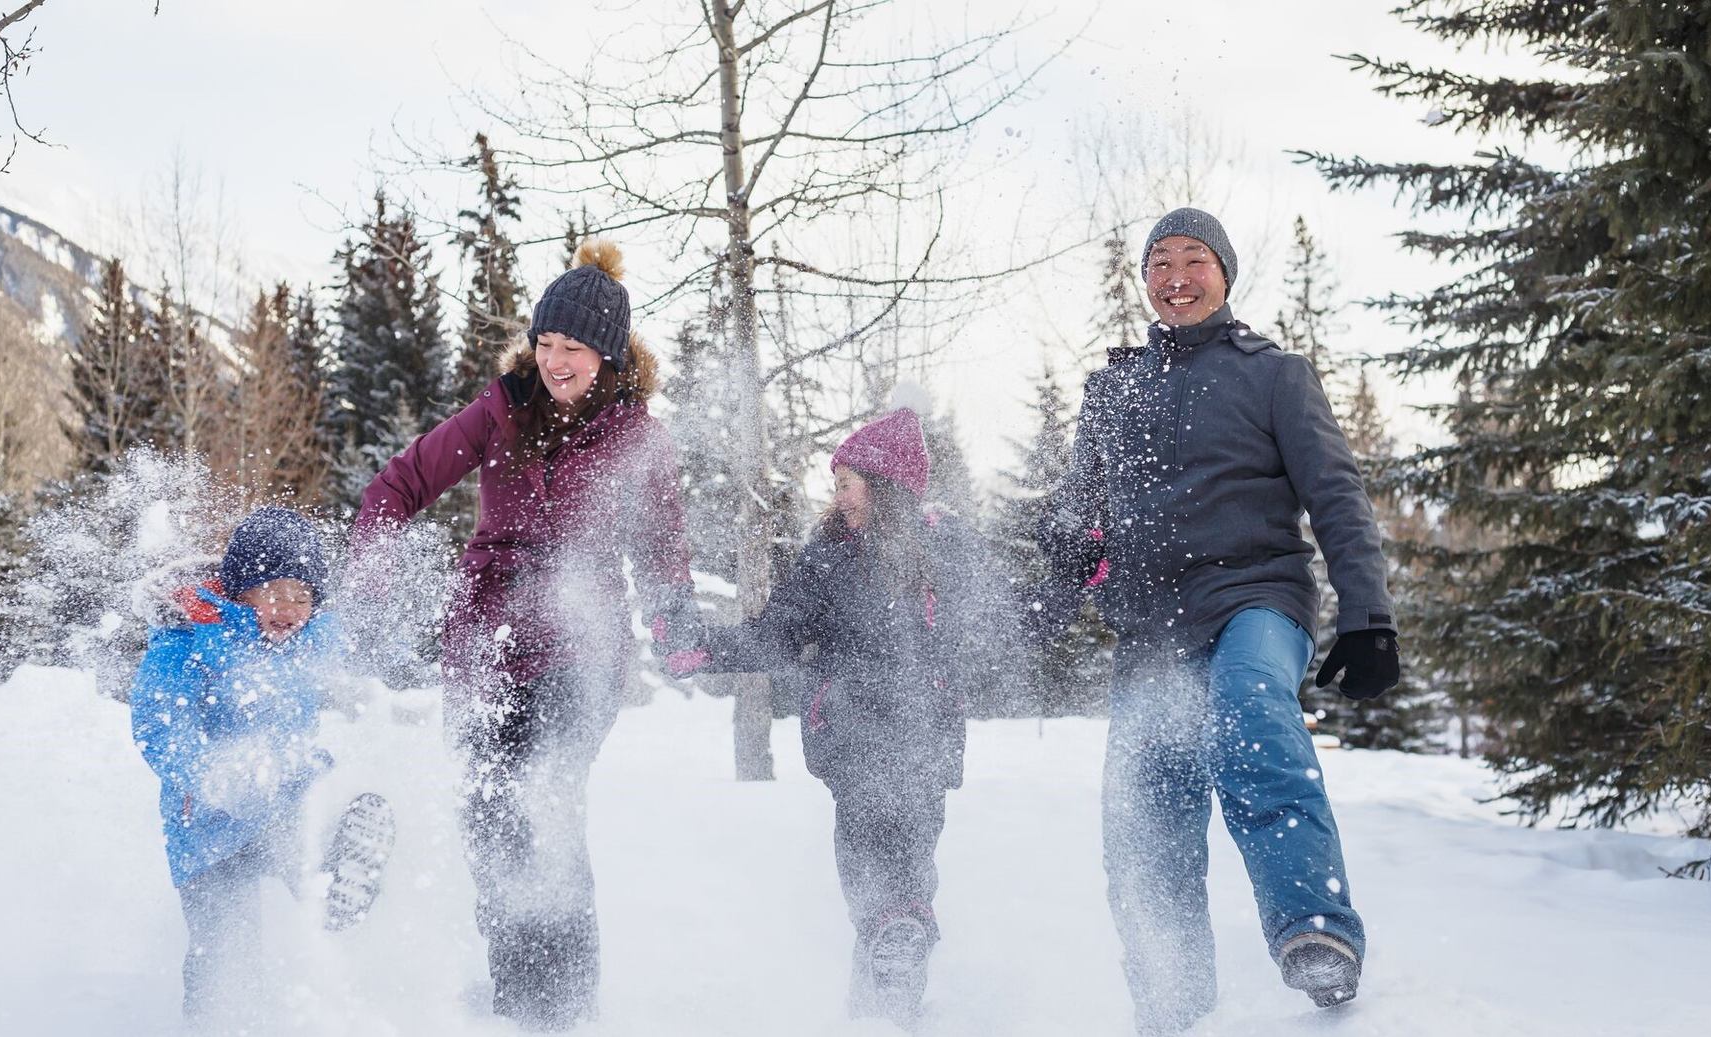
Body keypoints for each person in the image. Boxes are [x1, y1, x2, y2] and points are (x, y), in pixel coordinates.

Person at [1036, 207, 1402, 1033]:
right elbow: (1077, 512)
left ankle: (1316, 929)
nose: (1174, 276)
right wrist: (1053, 576)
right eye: (1158, 262)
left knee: (1249, 710)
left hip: (1255, 598)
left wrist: (1368, 617)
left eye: (1192, 258)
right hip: (1151, 628)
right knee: (1144, 814)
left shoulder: (1275, 375)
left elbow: (1337, 497)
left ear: (1224, 274)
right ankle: (1172, 1003)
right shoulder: (1114, 387)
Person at [353, 240, 698, 1031]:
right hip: (486, 643)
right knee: (491, 820)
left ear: (607, 352)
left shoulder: (637, 437)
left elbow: (660, 549)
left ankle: (569, 1008)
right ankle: (518, 1005)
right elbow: (402, 482)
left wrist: (675, 622)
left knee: (545, 802)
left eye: (571, 347)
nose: (554, 360)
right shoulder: (501, 408)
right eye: (544, 344)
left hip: (582, 646)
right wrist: (374, 557)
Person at [666, 405, 997, 1028]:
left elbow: (996, 620)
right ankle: (886, 980)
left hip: (908, 740)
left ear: (883, 485)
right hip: (856, 743)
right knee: (883, 875)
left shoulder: (940, 552)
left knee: (886, 869)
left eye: (847, 483)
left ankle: (893, 959)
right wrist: (710, 646)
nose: (838, 495)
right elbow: (778, 634)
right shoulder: (828, 558)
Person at [129, 506, 342, 1023]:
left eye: (303, 596)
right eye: (276, 591)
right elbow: (159, 724)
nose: (290, 609)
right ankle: (213, 1024)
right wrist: (210, 778)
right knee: (225, 947)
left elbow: (335, 702)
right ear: (242, 591)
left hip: (284, 808)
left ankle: (340, 889)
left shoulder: (311, 643)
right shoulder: (188, 640)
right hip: (210, 825)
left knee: (313, 913)